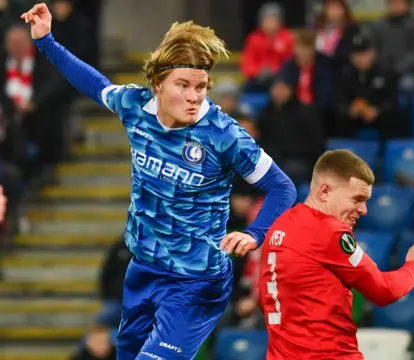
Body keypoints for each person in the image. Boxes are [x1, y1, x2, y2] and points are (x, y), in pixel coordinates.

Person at [21, 3, 297, 360]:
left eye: (201, 86)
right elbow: (93, 83)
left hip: (197, 280)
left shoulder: (222, 134)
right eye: (183, 85)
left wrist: (255, 232)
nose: (195, 96)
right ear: (157, 84)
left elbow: (283, 187)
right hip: (144, 270)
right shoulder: (135, 106)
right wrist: (46, 42)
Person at [259, 149, 414, 359]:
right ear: (324, 192)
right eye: (357, 199)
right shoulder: (328, 230)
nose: (364, 210)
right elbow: (384, 290)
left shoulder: (280, 226)